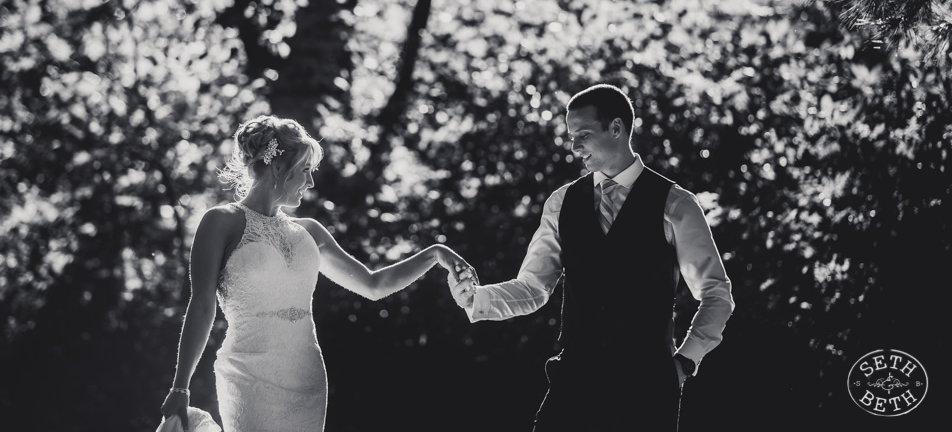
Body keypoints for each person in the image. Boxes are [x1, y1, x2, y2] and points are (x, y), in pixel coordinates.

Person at [160, 115, 473, 432]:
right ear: (279, 167)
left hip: (306, 379)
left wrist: (435, 254)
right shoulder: (220, 222)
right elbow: (201, 306)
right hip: (248, 375)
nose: (310, 183)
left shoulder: (311, 232)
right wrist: (180, 386)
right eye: (305, 171)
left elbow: (374, 285)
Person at [449, 84, 734, 431]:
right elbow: (534, 288)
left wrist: (685, 362)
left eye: (583, 134)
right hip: (574, 383)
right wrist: (476, 299)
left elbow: (716, 293)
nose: (574, 146)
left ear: (616, 128)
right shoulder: (561, 202)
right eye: (571, 136)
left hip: (647, 390)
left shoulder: (675, 203)